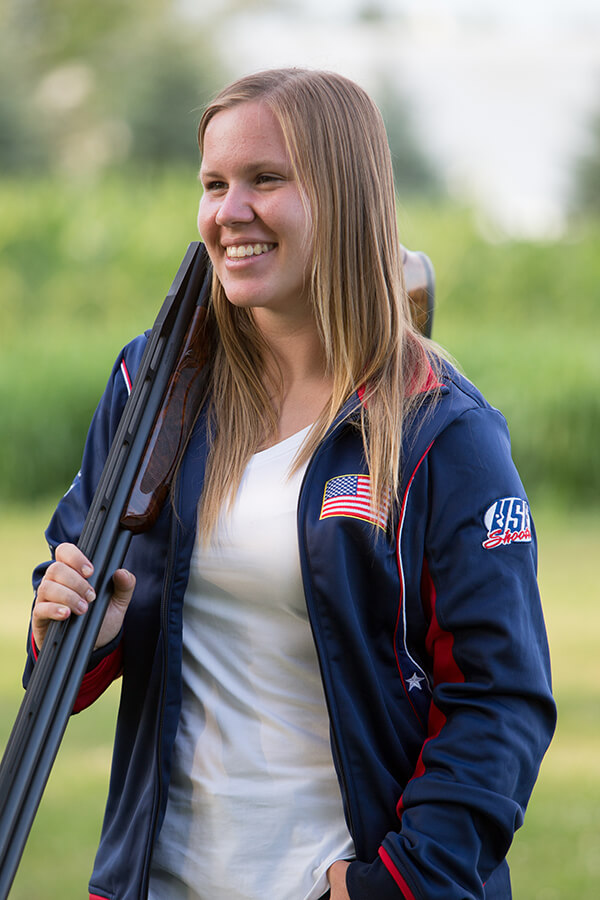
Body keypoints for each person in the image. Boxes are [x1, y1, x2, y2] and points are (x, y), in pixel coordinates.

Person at [26, 68, 556, 900]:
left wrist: (398, 883)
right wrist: (82, 624)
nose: (228, 212)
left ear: (344, 197)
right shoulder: (152, 387)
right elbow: (65, 624)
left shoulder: (440, 432)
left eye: (266, 179)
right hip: (154, 882)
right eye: (213, 184)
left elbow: (500, 702)